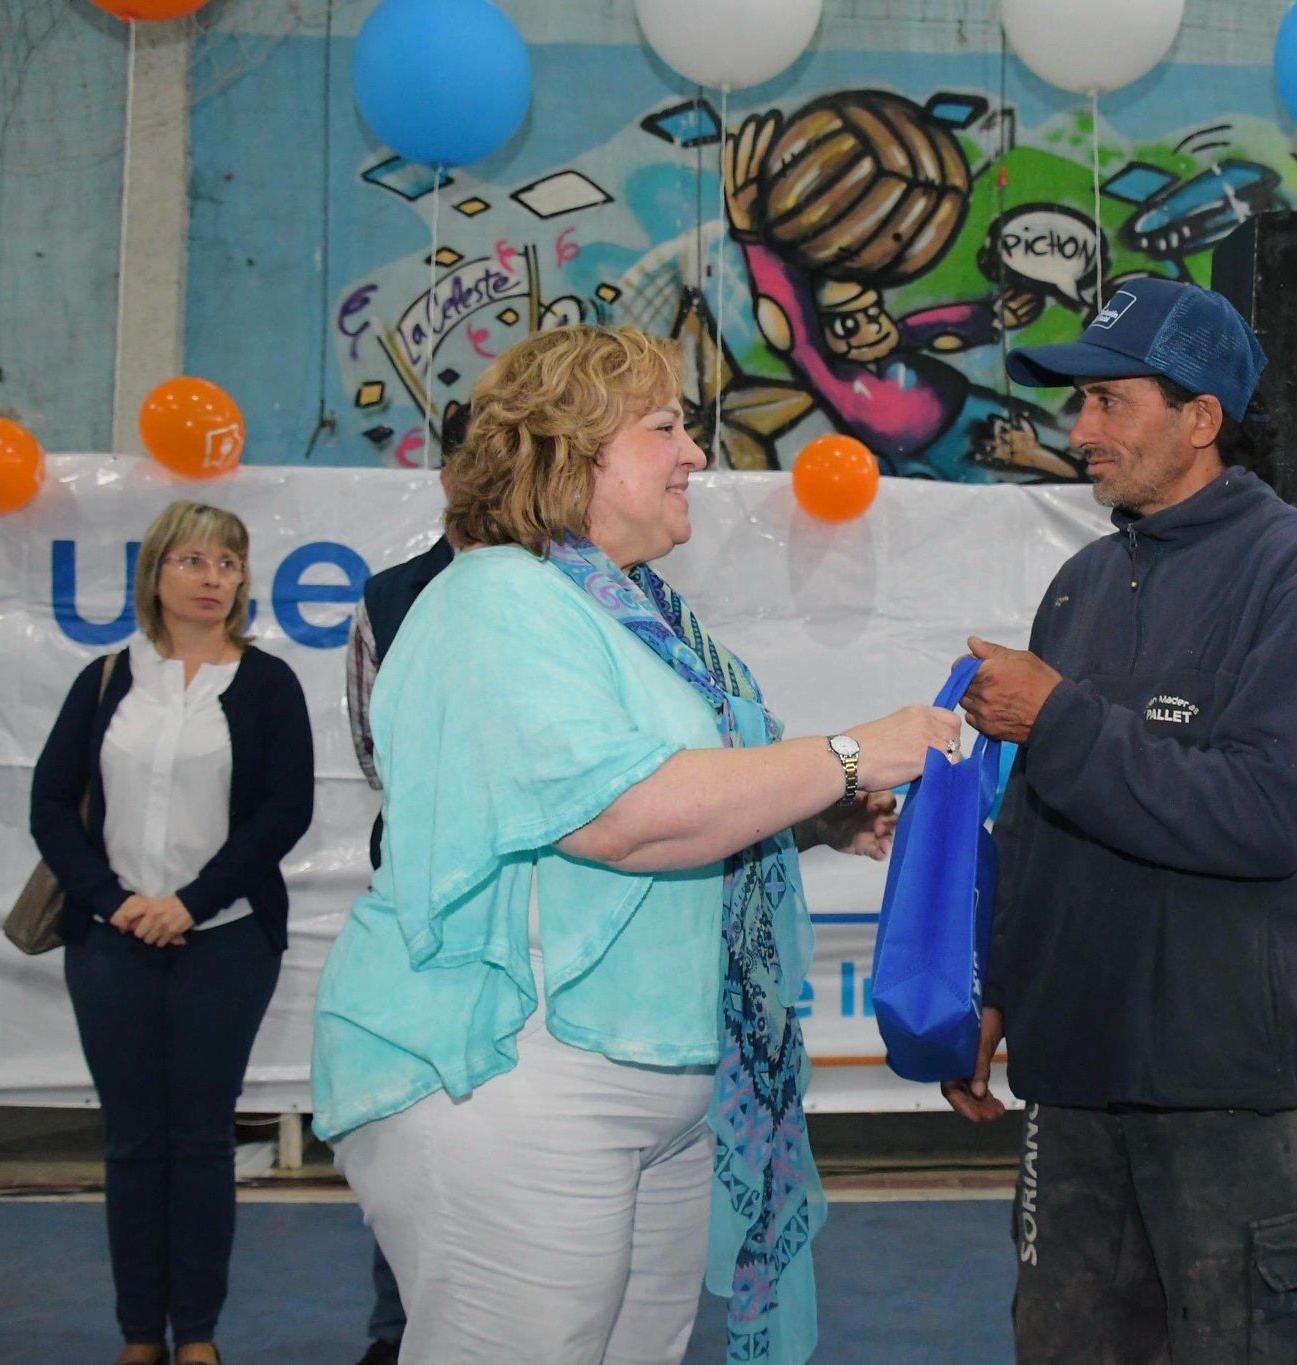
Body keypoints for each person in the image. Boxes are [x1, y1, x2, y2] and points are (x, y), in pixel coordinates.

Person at [311, 325, 958, 1365]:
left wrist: (816, 813)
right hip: (515, 1071)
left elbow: (651, 795)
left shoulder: (626, 612)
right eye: (664, 427)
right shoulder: (494, 601)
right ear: (567, 451)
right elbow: (619, 814)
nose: (696, 454)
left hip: (645, 1076)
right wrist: (850, 754)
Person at [944, 277, 1297, 1362]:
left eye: (1108, 402)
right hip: (1074, 1076)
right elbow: (1034, 824)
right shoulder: (1081, 583)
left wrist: (1061, 718)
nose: (1078, 430)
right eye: (1074, 402)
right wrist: (997, 992)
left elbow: (1265, 815)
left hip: (1223, 1083)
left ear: (1199, 419)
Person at [30, 499, 316, 1365]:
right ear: (154, 573)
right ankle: (135, 1334)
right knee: (132, 1138)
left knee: (199, 1136)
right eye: (193, 560)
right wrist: (113, 900)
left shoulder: (268, 685)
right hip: (110, 941)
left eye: (227, 563)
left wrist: (190, 901)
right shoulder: (107, 679)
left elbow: (283, 813)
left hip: (225, 940)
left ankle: (196, 1334)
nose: (212, 578)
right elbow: (50, 804)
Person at [342, 401, 471, 1365]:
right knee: (411, 1123)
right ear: (447, 471)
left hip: (544, 913)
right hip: (423, 902)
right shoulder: (390, 595)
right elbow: (373, 751)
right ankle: (399, 1328)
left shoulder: (586, 587)